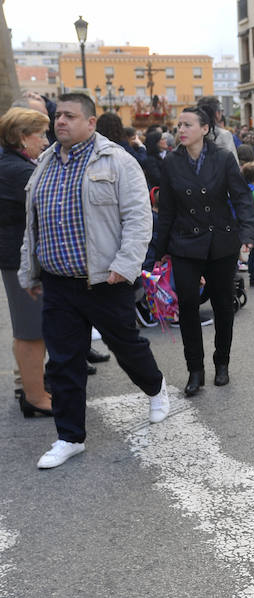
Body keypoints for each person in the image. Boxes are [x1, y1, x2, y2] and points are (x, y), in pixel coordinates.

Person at [18, 93, 170, 469]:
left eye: (70, 116)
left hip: (105, 280)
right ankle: (69, 437)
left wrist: (126, 264)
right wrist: (29, 270)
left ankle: (155, 387)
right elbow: (32, 225)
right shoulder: (44, 164)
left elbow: (138, 218)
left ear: (90, 122)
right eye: (58, 116)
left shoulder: (118, 161)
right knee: (64, 362)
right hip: (57, 282)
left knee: (127, 346)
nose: (60, 122)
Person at [154, 106, 254, 395]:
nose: (181, 130)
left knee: (224, 306)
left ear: (205, 129)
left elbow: (242, 198)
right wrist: (158, 250)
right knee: (187, 306)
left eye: (187, 125)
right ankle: (195, 370)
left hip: (221, 243)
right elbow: (167, 211)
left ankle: (221, 362)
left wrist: (248, 233)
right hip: (185, 243)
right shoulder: (172, 162)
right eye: (178, 126)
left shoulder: (223, 159)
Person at [0, 107, 53, 417]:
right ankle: (34, 397)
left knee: (32, 328)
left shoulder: (14, 163)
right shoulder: (16, 169)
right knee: (31, 330)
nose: (45, 141)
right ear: (22, 136)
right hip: (18, 259)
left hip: (16, 256)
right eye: (41, 134)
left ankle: (34, 389)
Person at [197, 96, 238, 160]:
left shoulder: (193, 133)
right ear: (217, 113)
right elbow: (233, 161)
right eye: (221, 111)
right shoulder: (224, 135)